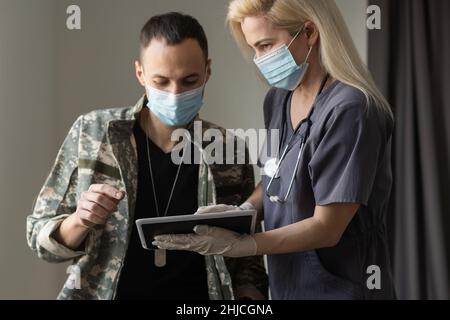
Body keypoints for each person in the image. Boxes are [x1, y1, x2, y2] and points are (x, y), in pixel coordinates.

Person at [153, 1, 396, 299]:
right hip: (287, 287)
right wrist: (242, 211)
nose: (259, 59)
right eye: (254, 48)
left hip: (344, 287)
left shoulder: (351, 109)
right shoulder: (278, 100)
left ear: (309, 32)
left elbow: (328, 228)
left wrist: (248, 244)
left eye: (266, 45)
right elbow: (277, 180)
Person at [26, 12, 267, 300]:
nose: (175, 93)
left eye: (189, 80)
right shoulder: (93, 133)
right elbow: (39, 240)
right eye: (161, 81)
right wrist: (80, 220)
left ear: (207, 71)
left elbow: (247, 259)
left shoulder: (228, 149)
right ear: (140, 73)